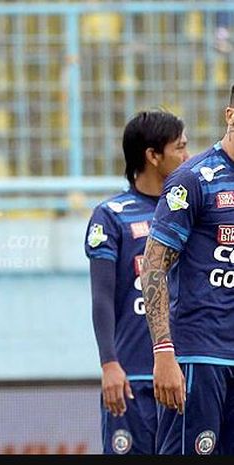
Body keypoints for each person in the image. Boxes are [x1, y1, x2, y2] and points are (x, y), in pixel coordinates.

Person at [84, 110, 188, 454]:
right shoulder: (112, 216)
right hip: (133, 378)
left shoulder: (191, 211)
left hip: (183, 373)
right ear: (152, 156)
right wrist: (109, 364)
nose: (188, 157)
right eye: (180, 148)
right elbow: (102, 298)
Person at [141, 86, 234, 455]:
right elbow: (153, 266)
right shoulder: (194, 178)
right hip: (201, 356)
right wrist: (164, 351)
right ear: (230, 115)